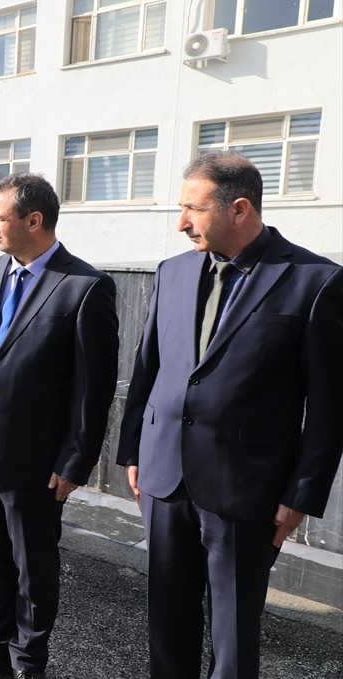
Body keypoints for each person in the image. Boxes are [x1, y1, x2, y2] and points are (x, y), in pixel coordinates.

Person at [117, 152, 343, 679]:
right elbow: (147, 368)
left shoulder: (314, 281)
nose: (181, 222)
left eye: (192, 209)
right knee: (167, 622)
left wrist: (301, 493)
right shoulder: (173, 273)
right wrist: (133, 450)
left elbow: (329, 405)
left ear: (239, 208)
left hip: (247, 490)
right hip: (163, 478)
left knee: (234, 636)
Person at [0, 173, 119, 679]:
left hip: (35, 460)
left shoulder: (85, 286)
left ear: (33, 220)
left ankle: (27, 662)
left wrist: (76, 459)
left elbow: (92, 388)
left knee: (33, 568)